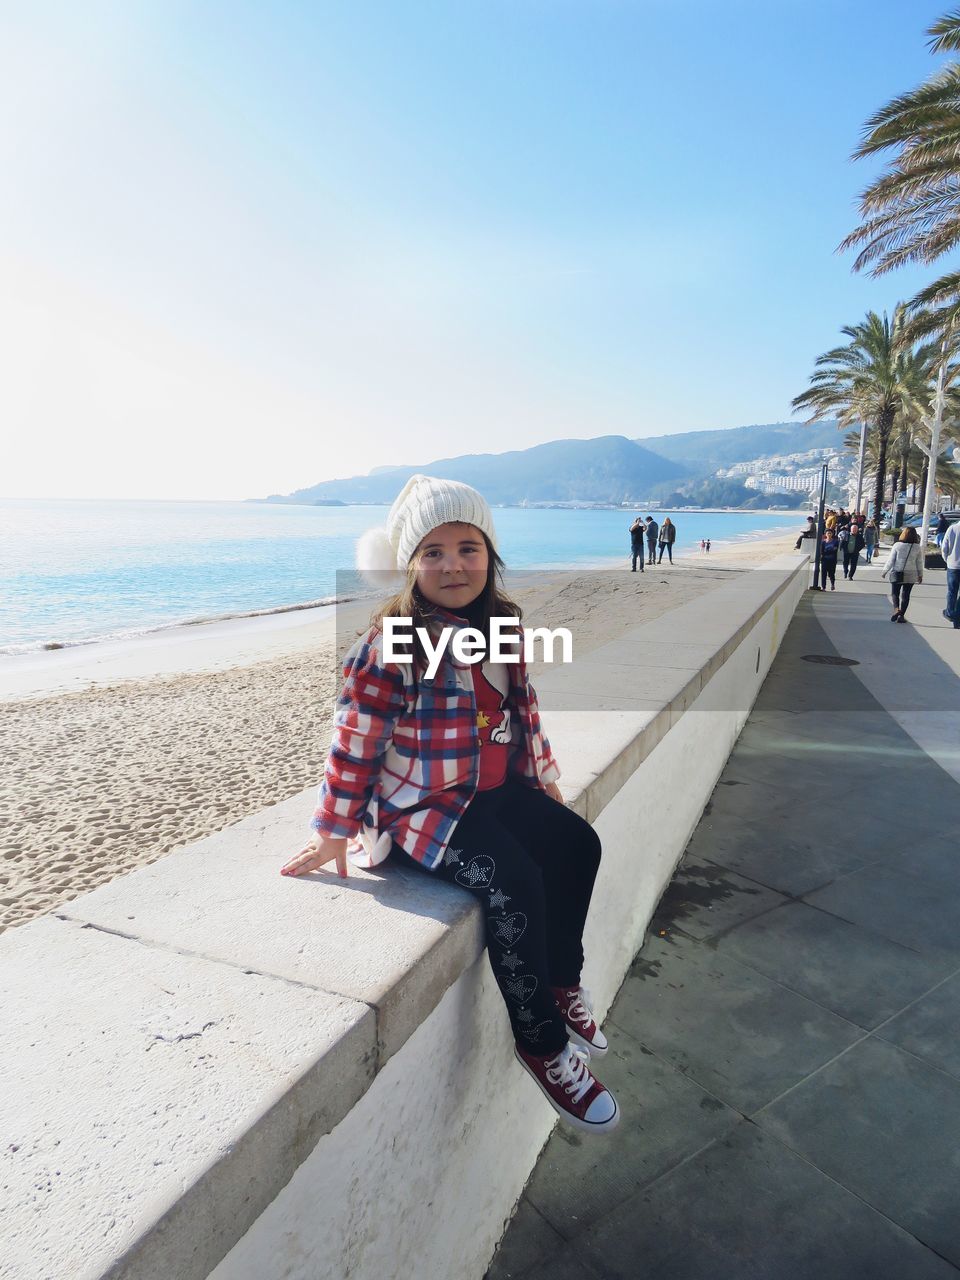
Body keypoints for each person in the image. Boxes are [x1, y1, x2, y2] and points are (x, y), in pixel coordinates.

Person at [280, 475, 619, 1134]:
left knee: (579, 844)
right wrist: (332, 830)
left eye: (468, 546)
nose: (453, 564)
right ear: (408, 565)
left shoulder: (504, 627)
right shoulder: (393, 643)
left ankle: (561, 983)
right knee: (514, 883)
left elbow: (522, 714)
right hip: (421, 812)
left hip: (493, 794)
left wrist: (542, 775)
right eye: (432, 551)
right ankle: (544, 1046)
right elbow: (355, 741)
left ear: (490, 554)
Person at [881, 526, 923, 622]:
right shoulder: (917, 547)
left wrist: (884, 571)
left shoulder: (897, 545)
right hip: (911, 574)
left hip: (898, 572)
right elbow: (919, 562)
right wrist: (920, 575)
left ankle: (896, 609)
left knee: (895, 593)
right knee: (906, 595)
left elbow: (891, 560)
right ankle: (901, 616)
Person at [941, 518, 960, 628]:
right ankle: (957, 615)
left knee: (952, 591)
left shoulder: (952, 529)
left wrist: (947, 560)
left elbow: (944, 547)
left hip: (953, 565)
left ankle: (950, 612)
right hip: (953, 565)